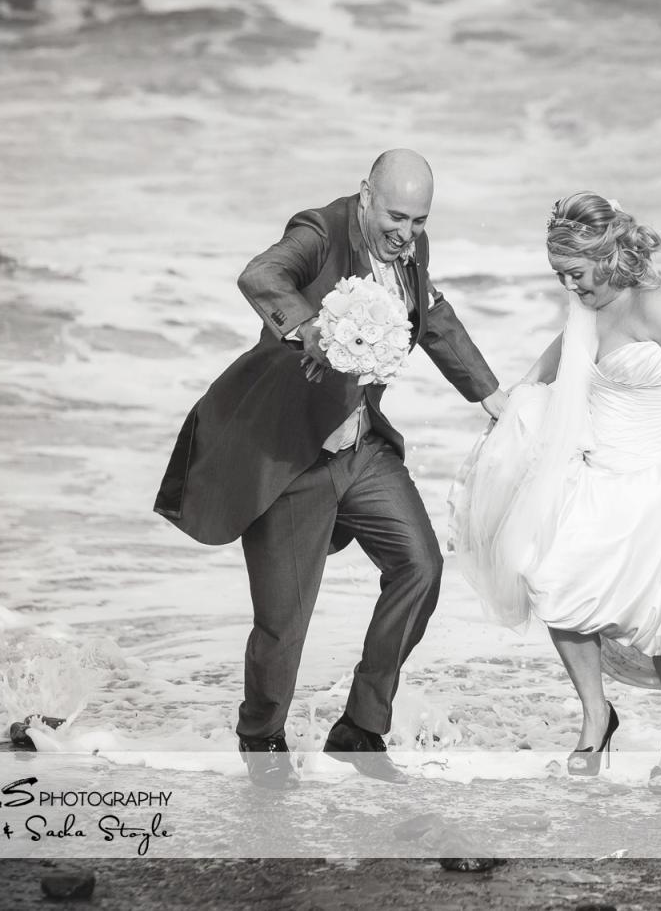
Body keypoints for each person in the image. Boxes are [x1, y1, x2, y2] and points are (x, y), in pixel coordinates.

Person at [155, 149, 506, 788]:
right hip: (292, 454)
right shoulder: (319, 231)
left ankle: (360, 728)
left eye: (420, 221)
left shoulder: (411, 251)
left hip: (363, 448)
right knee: (283, 624)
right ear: (365, 194)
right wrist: (310, 329)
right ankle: (261, 740)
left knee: (420, 568)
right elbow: (261, 275)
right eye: (395, 216)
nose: (406, 233)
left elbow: (433, 316)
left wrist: (490, 396)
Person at [449, 191, 661, 794]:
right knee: (553, 582)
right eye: (559, 275)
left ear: (606, 257)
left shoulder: (655, 302)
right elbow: (563, 354)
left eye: (575, 273)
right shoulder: (586, 302)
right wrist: (519, 399)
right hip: (600, 472)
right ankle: (597, 716)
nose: (568, 286)